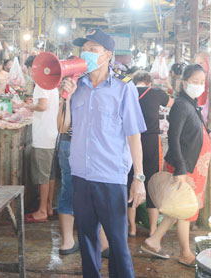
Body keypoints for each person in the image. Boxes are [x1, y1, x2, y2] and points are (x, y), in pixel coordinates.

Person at [61, 29, 147, 278]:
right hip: (81, 174)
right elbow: (62, 127)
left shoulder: (123, 89)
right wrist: (65, 97)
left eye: (92, 49)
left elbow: (134, 135)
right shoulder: (78, 88)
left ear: (108, 55)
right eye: (83, 49)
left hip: (110, 177)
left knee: (118, 244)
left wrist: (138, 178)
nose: (85, 54)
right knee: (87, 239)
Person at [142, 64, 211, 267]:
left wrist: (209, 132)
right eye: (195, 81)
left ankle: (154, 241)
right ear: (184, 82)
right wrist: (181, 169)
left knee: (179, 207)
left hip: (193, 168)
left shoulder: (192, 104)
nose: (199, 85)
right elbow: (173, 138)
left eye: (202, 82)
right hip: (185, 167)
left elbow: (200, 124)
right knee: (184, 211)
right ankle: (185, 253)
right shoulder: (180, 105)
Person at [56, 84, 111, 258]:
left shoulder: (70, 90)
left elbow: (62, 126)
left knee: (67, 189)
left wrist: (65, 97)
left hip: (66, 143)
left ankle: (67, 242)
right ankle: (102, 243)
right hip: (82, 146)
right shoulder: (90, 90)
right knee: (96, 189)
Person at [128, 71, 174, 237]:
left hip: (131, 141)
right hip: (151, 142)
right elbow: (173, 104)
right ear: (149, 82)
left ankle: (132, 228)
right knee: (152, 183)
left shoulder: (127, 92)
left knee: (130, 182)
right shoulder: (156, 93)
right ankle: (153, 229)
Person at [24, 55, 60, 224]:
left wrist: (30, 106)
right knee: (50, 174)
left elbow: (43, 106)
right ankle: (49, 207)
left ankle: (42, 211)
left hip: (43, 136)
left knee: (42, 176)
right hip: (52, 134)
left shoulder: (40, 84)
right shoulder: (52, 83)